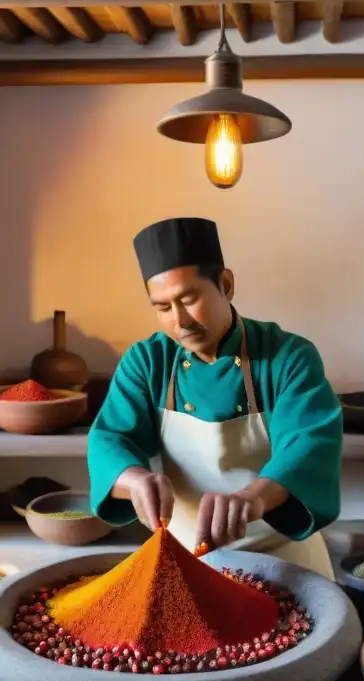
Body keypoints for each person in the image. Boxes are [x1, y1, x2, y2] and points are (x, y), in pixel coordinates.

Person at [87, 217, 342, 579]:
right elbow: (111, 438)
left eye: (189, 299)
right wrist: (133, 479)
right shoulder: (147, 362)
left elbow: (309, 446)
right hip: (190, 560)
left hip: (284, 558)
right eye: (162, 307)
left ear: (226, 284)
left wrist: (252, 498)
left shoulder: (289, 357)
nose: (180, 321)